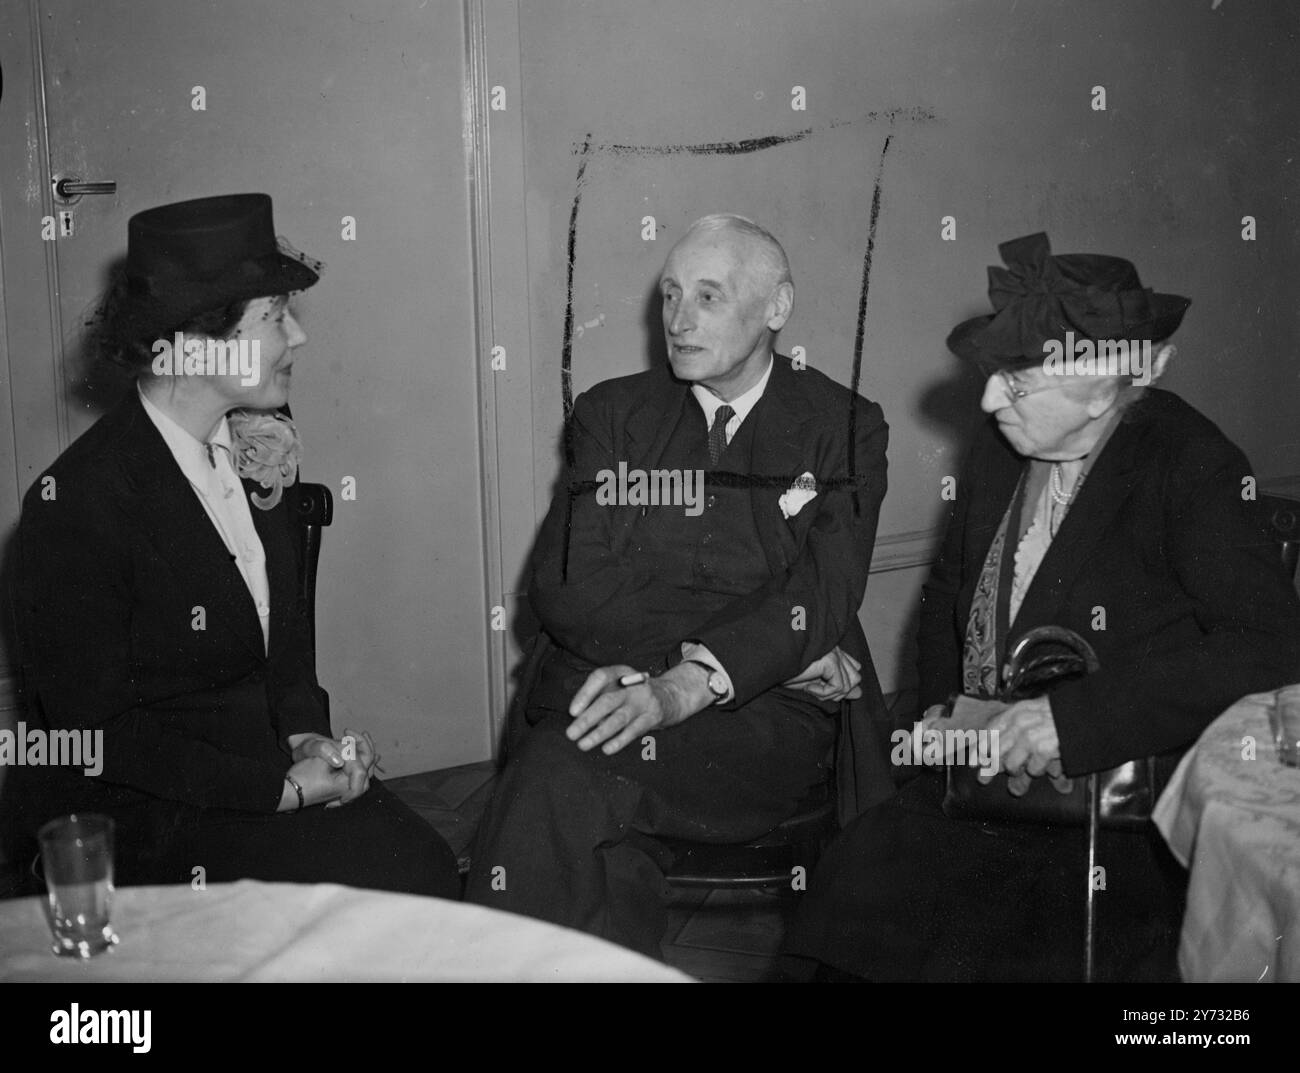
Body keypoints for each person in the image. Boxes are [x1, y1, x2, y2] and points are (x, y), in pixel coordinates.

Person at [782, 232, 1300, 981]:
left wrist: (1071, 721)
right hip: (979, 785)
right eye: (996, 377)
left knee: (981, 936)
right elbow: (946, 598)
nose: (990, 401)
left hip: (1112, 813)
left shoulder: (1191, 465)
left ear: (1109, 385)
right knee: (854, 879)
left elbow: (1269, 642)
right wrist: (943, 720)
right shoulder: (1001, 450)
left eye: (1018, 385)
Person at [8, 194, 459, 899]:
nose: (298, 338)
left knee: (420, 867)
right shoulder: (77, 505)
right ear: (196, 344)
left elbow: (286, 649)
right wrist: (276, 790)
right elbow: (97, 732)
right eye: (276, 316)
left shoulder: (257, 446)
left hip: (250, 771)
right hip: (135, 807)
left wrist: (308, 736)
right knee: (389, 886)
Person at [464, 213, 892, 956]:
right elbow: (570, 585)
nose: (679, 320)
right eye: (669, 295)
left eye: (708, 297)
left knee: (563, 776)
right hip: (635, 679)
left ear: (776, 309)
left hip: (761, 726)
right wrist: (748, 654)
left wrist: (711, 678)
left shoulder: (844, 428)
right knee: (581, 802)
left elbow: (823, 591)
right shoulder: (612, 415)